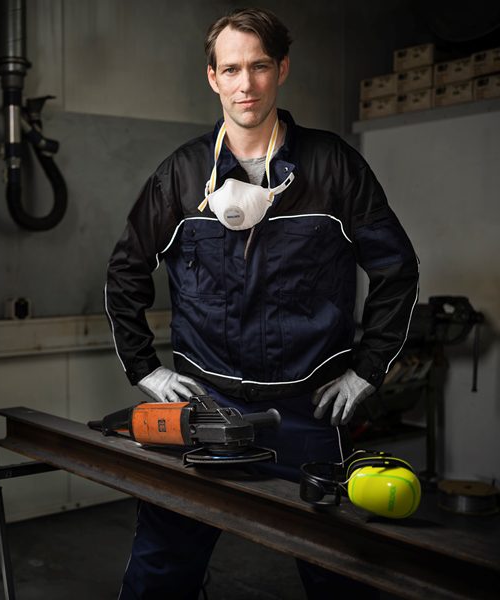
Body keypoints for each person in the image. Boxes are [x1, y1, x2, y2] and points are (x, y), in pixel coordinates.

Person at [104, 7, 419, 600]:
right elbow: (125, 271)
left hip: (310, 416)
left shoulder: (333, 167)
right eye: (231, 69)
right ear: (212, 78)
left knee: (342, 576)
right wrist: (144, 367)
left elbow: (397, 268)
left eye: (259, 66)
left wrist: (368, 369)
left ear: (281, 71)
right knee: (161, 573)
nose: (245, 84)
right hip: (205, 415)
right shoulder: (181, 176)